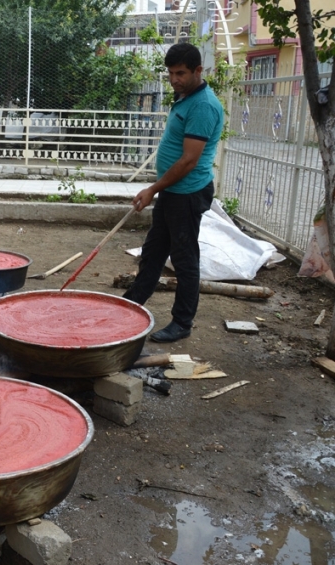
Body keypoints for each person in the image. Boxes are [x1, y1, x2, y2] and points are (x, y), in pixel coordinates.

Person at [123, 43, 224, 343]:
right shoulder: (184, 96)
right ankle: (130, 306)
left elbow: (190, 160)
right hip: (173, 191)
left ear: (198, 71)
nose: (174, 79)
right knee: (153, 252)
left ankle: (182, 322)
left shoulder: (203, 105)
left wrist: (153, 188)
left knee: (184, 259)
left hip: (187, 193)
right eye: (170, 73)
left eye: (180, 73)